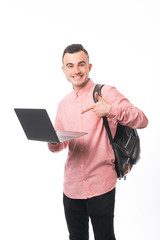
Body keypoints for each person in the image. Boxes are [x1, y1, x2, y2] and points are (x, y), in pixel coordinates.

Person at [48, 44, 148, 240]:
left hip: (100, 184)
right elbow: (60, 145)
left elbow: (142, 119)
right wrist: (51, 142)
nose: (76, 70)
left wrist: (111, 110)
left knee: (105, 237)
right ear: (63, 70)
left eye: (81, 64)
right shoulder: (63, 104)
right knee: (76, 237)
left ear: (89, 67)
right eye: (70, 66)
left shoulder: (106, 93)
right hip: (71, 187)